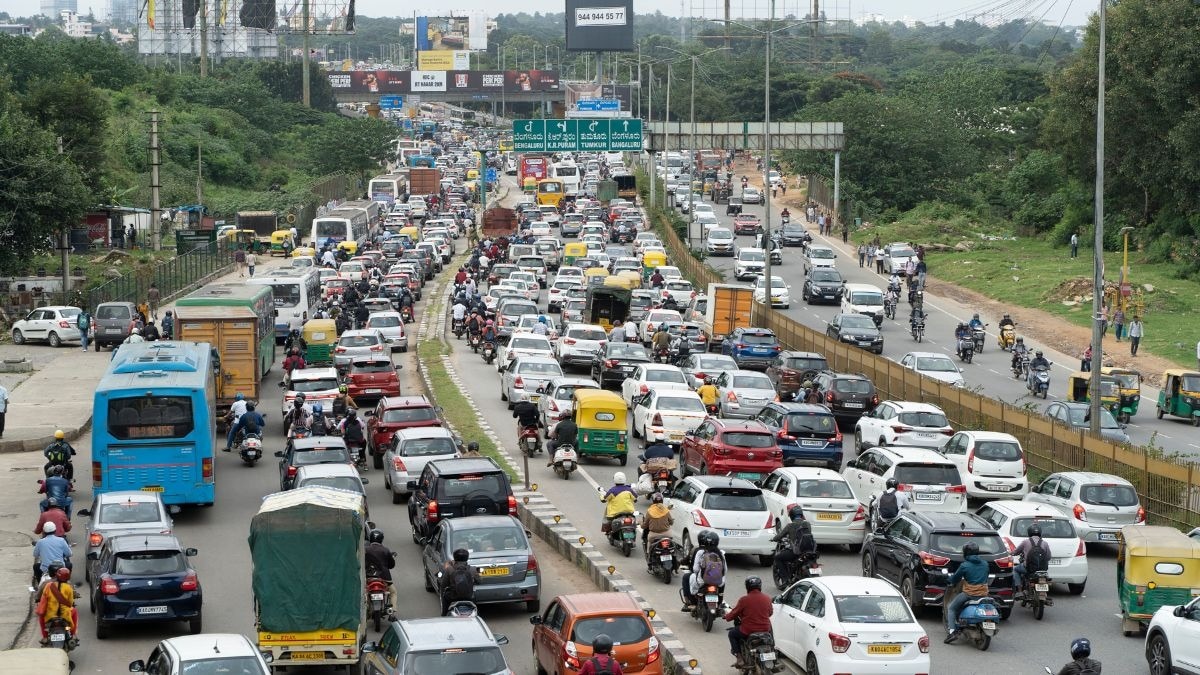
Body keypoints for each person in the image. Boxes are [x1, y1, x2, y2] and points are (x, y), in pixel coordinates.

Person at [944, 541, 991, 643]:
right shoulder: (985, 564)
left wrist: (949, 580)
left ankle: (952, 632)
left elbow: (955, 578)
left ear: (966, 552)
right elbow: (986, 576)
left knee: (951, 608)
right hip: (983, 594)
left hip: (970, 594)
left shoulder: (965, 565)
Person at [724, 576, 774, 669]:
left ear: (747, 587)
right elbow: (770, 612)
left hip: (748, 630)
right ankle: (773, 652)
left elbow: (734, 613)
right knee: (770, 631)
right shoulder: (767, 598)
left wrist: (726, 616)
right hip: (765, 629)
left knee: (732, 634)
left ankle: (739, 658)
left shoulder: (744, 600)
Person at [682, 530, 726, 610]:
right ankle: (719, 603)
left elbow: (695, 569)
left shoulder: (700, 552)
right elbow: (725, 571)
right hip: (718, 582)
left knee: (688, 577)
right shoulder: (721, 553)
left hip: (702, 581)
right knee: (723, 581)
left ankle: (691, 602)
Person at [771, 506, 816, 576]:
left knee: (778, 558)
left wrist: (773, 539)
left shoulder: (790, 525)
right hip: (809, 551)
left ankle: (785, 579)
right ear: (801, 515)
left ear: (792, 516)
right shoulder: (807, 524)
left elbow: (779, 536)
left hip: (796, 552)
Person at [35, 566, 76, 644]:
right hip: (65, 616)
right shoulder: (69, 587)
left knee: (41, 616)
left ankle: (45, 637)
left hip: (50, 615)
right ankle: (73, 634)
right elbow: (70, 603)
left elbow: (43, 598)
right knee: (74, 612)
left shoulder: (48, 585)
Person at [364, 529, 398, 614]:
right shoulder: (386, 550)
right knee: (393, 592)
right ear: (381, 539)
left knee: (363, 593)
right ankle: (392, 612)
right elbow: (391, 565)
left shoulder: (365, 550)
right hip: (384, 578)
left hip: (368, 577)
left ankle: (364, 609)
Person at [439, 548, 479, 615]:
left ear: (454, 558)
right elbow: (479, 581)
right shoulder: (473, 569)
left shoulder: (449, 569)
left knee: (444, 595)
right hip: (469, 597)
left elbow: (443, 585)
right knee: (476, 600)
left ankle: (444, 615)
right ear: (467, 558)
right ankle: (477, 616)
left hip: (452, 597)